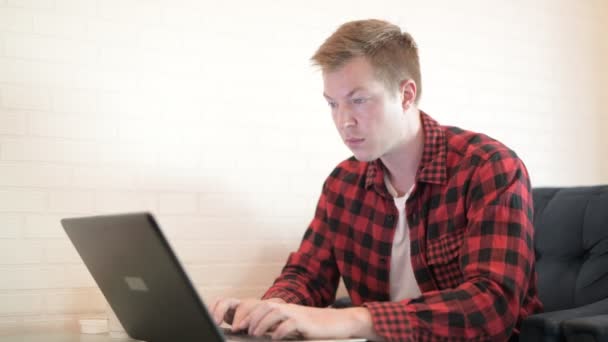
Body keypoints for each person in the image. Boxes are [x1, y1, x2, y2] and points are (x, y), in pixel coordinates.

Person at [211, 19, 543, 341]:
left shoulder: (488, 167)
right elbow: (308, 274)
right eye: (332, 104)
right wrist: (275, 308)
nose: (344, 122)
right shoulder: (343, 183)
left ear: (406, 95)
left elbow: (491, 306)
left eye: (359, 100)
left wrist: (352, 319)